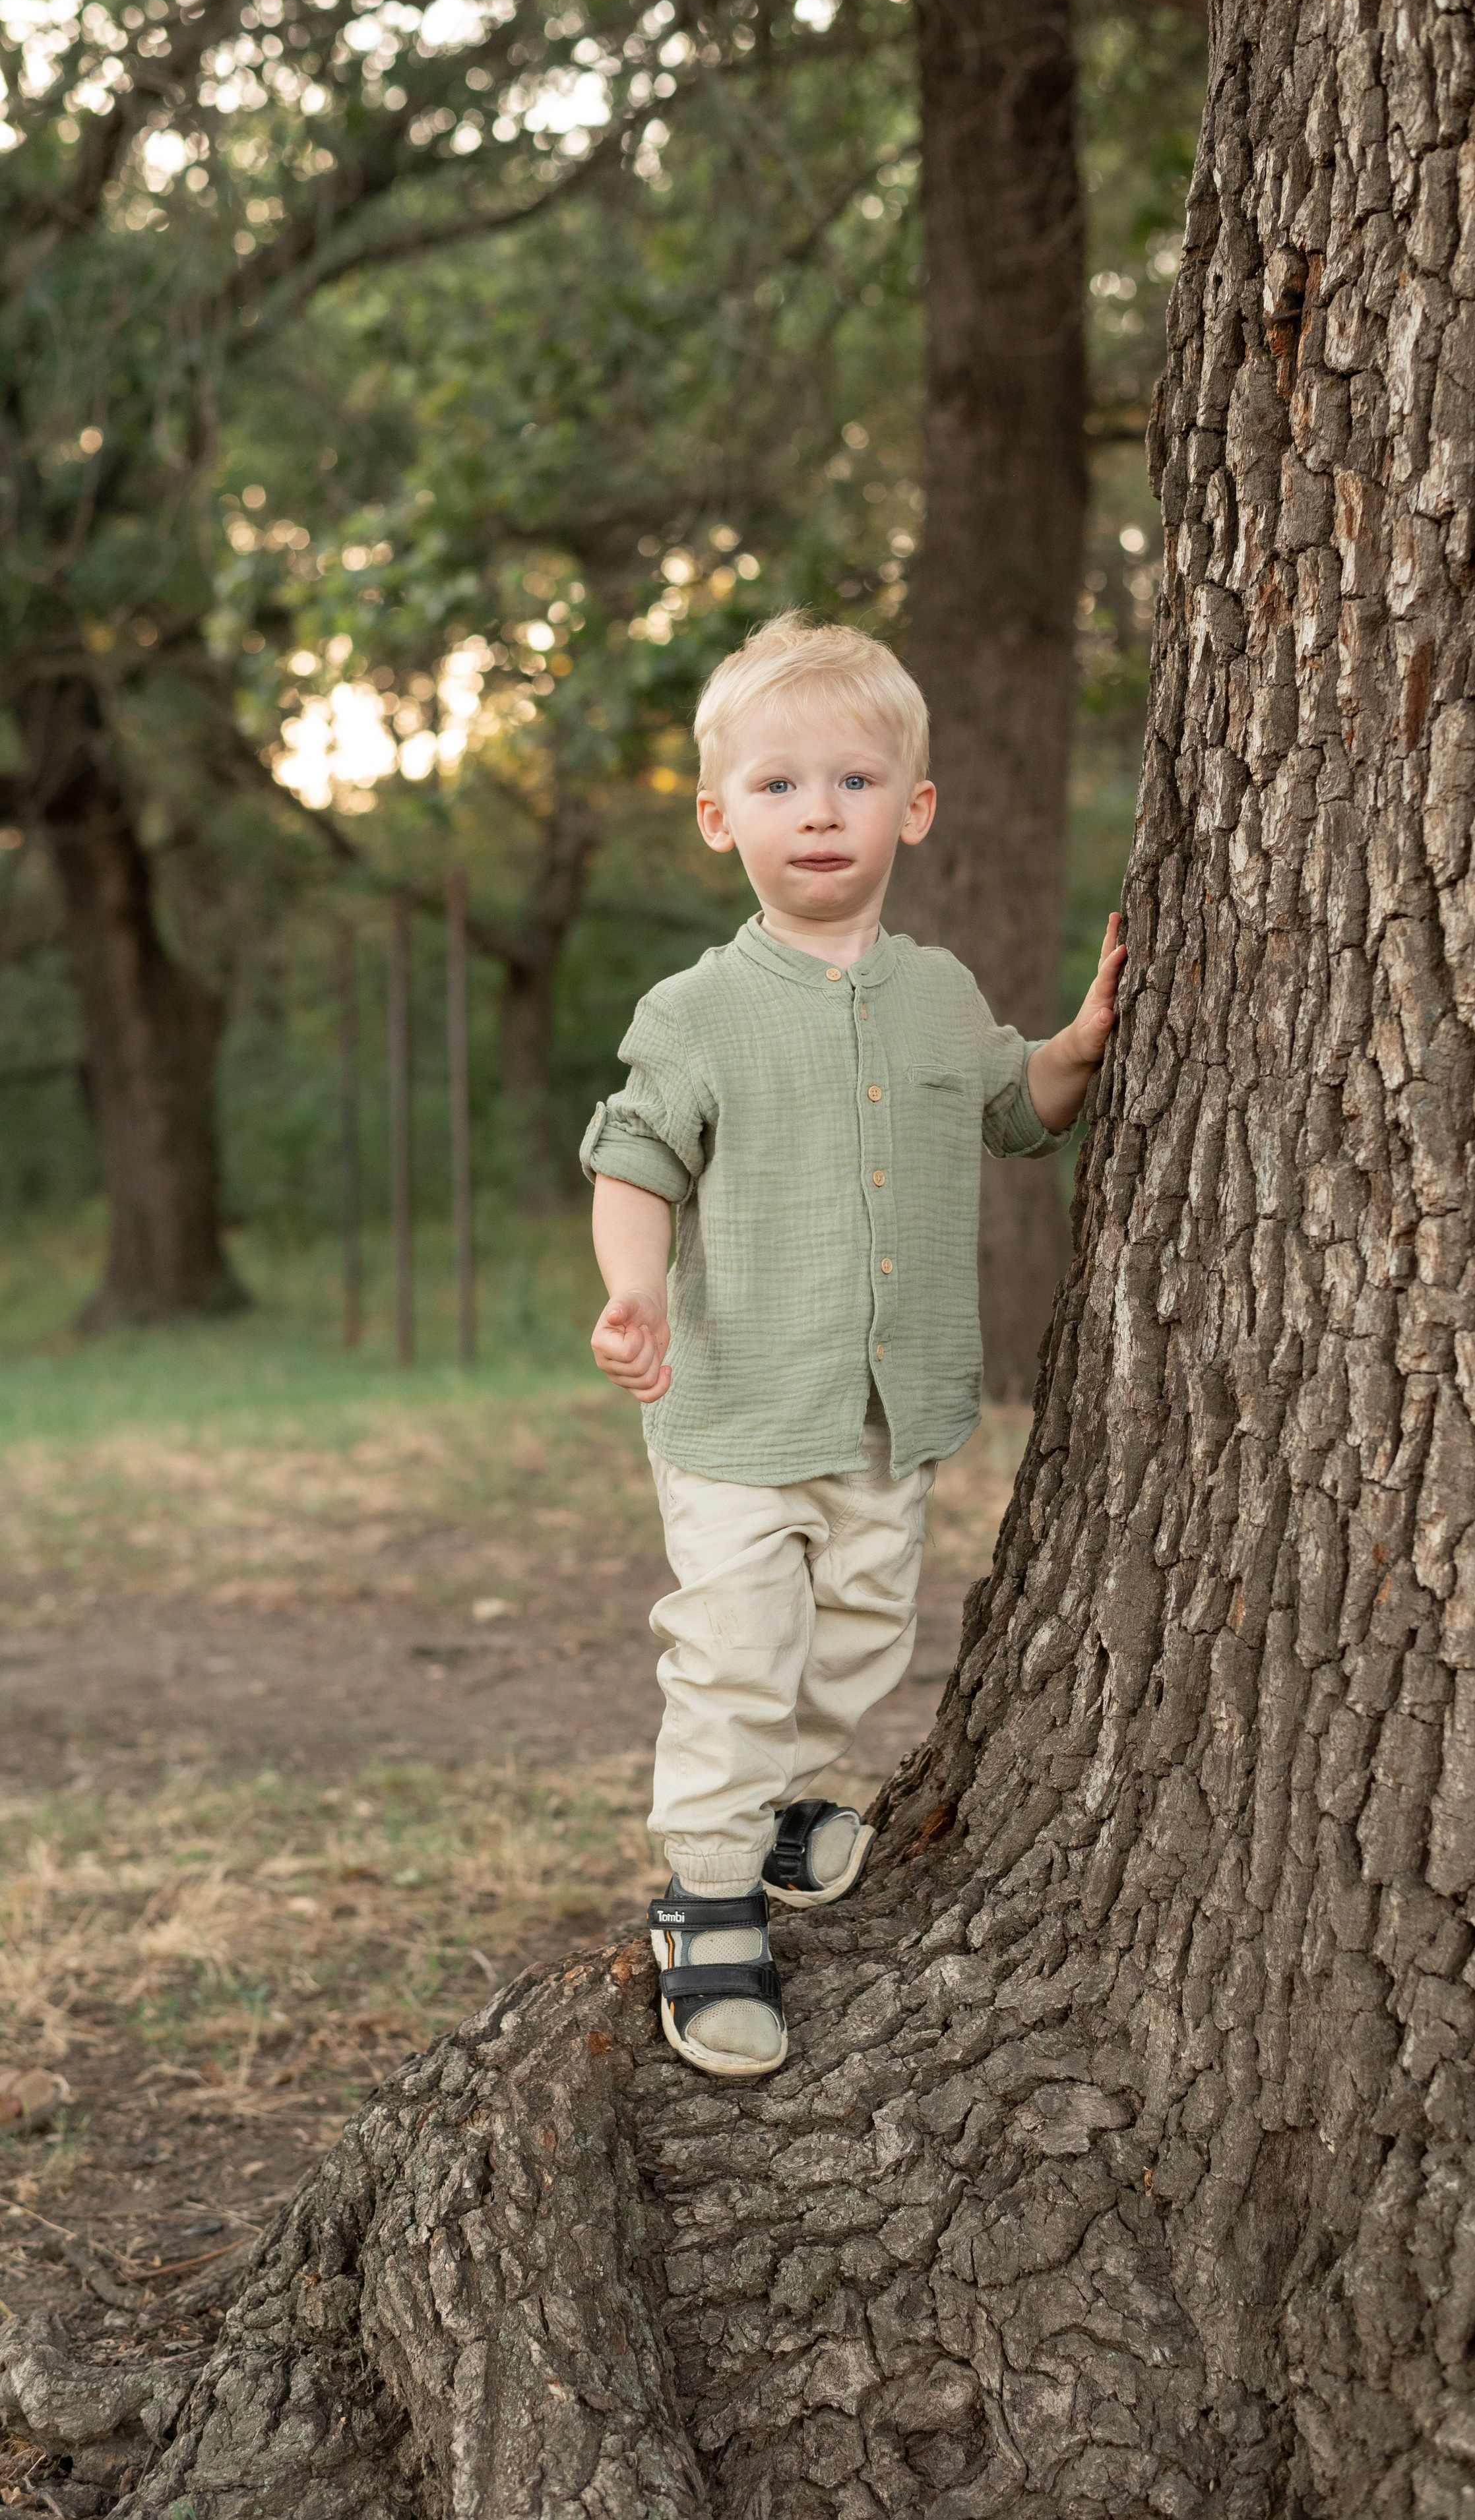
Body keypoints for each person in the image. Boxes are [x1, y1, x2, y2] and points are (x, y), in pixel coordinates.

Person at [580, 613, 1126, 2077]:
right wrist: (630, 1292)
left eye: (851, 781)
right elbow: (631, 1157)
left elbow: (1016, 1108)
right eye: (774, 786)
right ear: (718, 818)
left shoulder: (940, 996)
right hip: (739, 1408)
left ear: (913, 806)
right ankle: (706, 1899)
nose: (816, 810)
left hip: (890, 1413)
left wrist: (1073, 1045)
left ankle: (763, 1808)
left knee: (869, 1634)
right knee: (739, 1648)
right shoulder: (694, 1012)